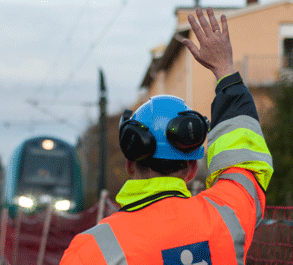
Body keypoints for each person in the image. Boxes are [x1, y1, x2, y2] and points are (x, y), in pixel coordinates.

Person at [60, 7, 273, 264]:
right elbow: (245, 160)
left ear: (130, 164)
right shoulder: (227, 217)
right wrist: (224, 70)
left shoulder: (93, 248)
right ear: (192, 169)